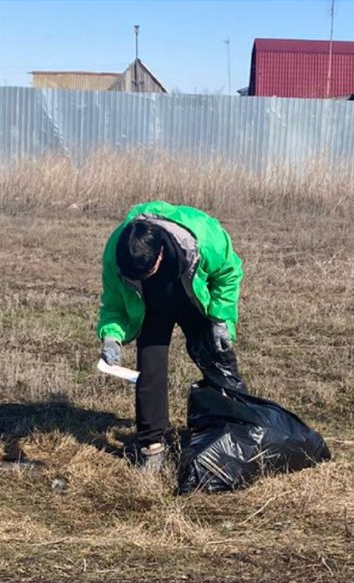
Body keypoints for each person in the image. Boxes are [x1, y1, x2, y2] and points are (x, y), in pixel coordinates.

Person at [96, 202, 247, 476]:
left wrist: (222, 319)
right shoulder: (115, 254)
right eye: (132, 276)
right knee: (149, 372)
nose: (138, 278)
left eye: (145, 273)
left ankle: (237, 427)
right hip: (150, 308)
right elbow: (114, 303)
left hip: (192, 295)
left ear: (160, 255)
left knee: (217, 356)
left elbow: (228, 272)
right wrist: (111, 337)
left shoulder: (202, 236)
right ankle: (152, 448)